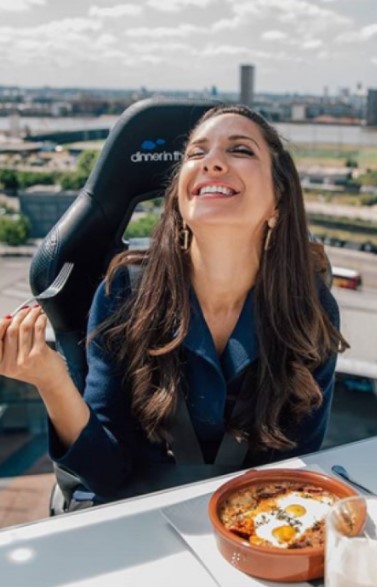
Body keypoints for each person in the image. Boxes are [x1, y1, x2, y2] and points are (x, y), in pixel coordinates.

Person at [0, 104, 348, 504]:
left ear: (278, 203)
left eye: (240, 150)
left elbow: (294, 474)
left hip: (257, 524)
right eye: (196, 153)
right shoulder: (124, 296)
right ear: (180, 197)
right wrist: (50, 379)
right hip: (140, 521)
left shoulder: (310, 310)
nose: (211, 162)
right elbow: (108, 475)